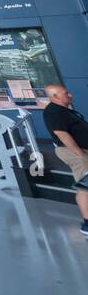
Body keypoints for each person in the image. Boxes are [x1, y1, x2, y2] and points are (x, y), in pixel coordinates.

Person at [41, 84, 88, 236]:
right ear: (55, 96)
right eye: (66, 93)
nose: (70, 95)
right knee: (85, 186)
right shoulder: (53, 111)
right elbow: (62, 134)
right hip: (75, 152)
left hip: (81, 150)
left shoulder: (64, 110)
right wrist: (80, 154)